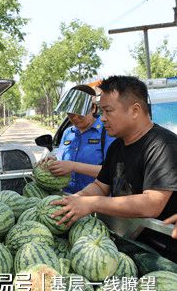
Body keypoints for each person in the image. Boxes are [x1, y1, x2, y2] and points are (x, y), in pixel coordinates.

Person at [51, 76, 176, 259]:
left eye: (108, 111)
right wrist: (76, 200)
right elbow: (101, 186)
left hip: (162, 254)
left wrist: (91, 203)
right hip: (129, 244)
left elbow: (152, 204)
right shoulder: (117, 146)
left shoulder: (163, 145)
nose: (102, 119)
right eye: (101, 111)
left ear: (135, 110)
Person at [48, 84, 115, 194]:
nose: (75, 119)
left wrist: (74, 166)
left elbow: (112, 171)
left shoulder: (107, 131)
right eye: (70, 115)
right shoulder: (67, 133)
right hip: (67, 196)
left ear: (93, 108)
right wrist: (51, 161)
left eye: (80, 115)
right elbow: (61, 161)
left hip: (96, 201)